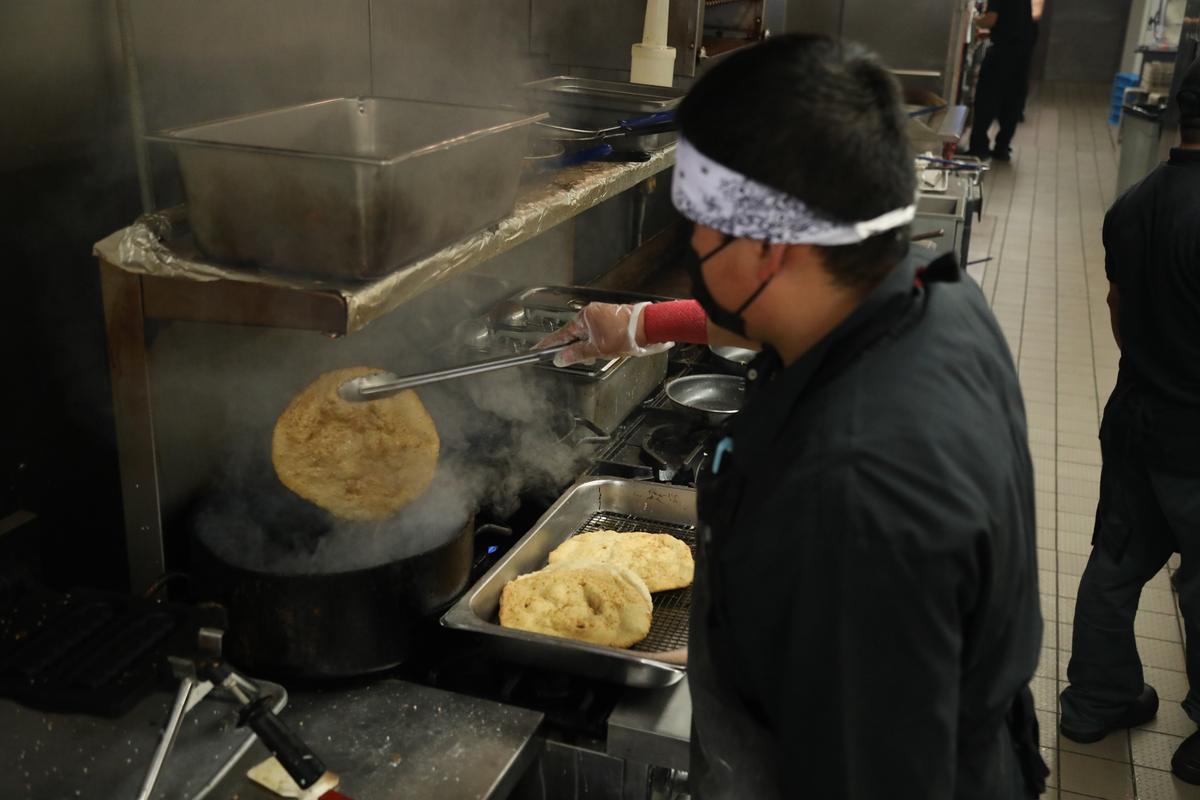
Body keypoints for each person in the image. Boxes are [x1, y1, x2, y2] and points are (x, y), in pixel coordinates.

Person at [539, 34, 1046, 800]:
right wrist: (642, 324)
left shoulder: (854, 496)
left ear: (769, 247)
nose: (695, 247)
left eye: (699, 229)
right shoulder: (925, 290)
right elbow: (776, 310)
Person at [1058, 57, 1200, 784]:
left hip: (1136, 415)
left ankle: (1098, 697)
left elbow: (1119, 312)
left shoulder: (1135, 202)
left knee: (1115, 565)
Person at [964, 0, 1036, 161]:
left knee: (987, 98)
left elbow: (991, 19)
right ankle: (1002, 148)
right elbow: (1016, 21)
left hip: (1002, 52)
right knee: (1012, 100)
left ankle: (978, 148)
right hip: (1022, 53)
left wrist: (972, 19)